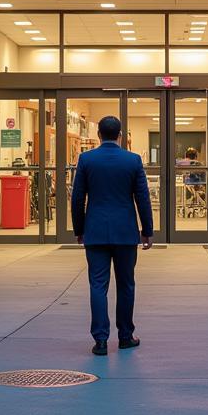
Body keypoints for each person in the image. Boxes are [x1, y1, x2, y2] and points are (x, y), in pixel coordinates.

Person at [71, 115, 153, 356]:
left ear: (98, 135)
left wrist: (79, 229)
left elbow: (77, 199)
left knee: (98, 285)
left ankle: (101, 340)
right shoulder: (133, 160)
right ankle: (125, 336)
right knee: (126, 284)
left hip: (95, 231)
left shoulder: (86, 159)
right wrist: (147, 231)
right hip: (126, 232)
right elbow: (143, 198)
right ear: (120, 136)